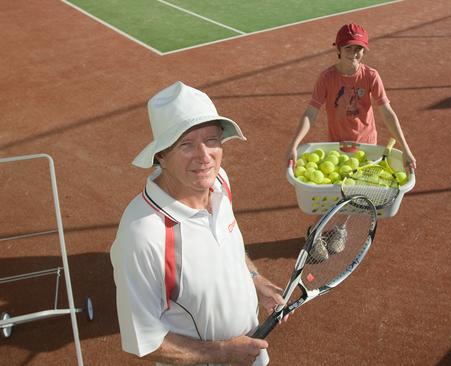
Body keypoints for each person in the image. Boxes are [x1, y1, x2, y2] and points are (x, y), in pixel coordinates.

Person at [111, 81, 286, 366]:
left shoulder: (219, 183)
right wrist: (223, 352)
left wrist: (255, 280)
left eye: (212, 141)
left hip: (249, 355)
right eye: (186, 144)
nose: (205, 157)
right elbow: (143, 340)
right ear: (161, 157)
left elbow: (226, 247)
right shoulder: (142, 233)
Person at [287, 23, 416, 171]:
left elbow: (387, 112)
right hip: (337, 147)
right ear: (338, 49)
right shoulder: (326, 78)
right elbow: (310, 113)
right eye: (348, 48)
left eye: (358, 48)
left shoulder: (371, 75)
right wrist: (294, 145)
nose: (354, 53)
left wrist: (406, 148)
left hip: (366, 147)